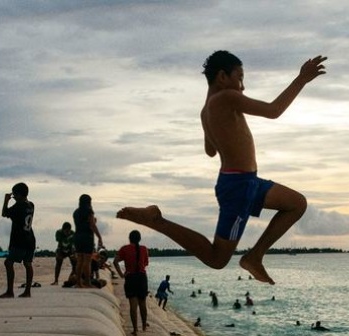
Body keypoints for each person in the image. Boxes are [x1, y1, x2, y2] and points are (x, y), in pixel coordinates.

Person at [117, 51, 325, 284]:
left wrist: (226, 129)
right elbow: (273, 111)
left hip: (246, 181)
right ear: (222, 77)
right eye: (240, 77)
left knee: (297, 203)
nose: (243, 86)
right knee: (217, 258)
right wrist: (301, 79)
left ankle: (255, 256)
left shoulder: (206, 110)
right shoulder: (226, 98)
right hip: (238, 187)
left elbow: (210, 150)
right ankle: (156, 220)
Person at [0, 182, 35, 298]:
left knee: (8, 263)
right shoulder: (31, 205)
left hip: (19, 239)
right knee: (28, 264)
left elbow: (4, 213)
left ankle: (10, 291)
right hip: (30, 238)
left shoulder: (19, 205)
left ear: (19, 195)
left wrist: (6, 201)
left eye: (14, 195)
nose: (13, 197)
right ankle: (27, 291)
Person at [113, 230, 149, 336]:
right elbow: (145, 264)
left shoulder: (125, 249)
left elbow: (115, 262)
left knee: (133, 305)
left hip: (131, 278)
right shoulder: (144, 249)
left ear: (129, 238)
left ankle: (135, 330)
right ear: (139, 239)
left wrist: (121, 274)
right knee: (143, 303)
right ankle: (143, 325)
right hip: (142, 278)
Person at [73, 194, 103, 288]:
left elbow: (81, 223)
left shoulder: (76, 212)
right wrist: (99, 237)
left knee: (79, 260)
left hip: (77, 236)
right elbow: (92, 225)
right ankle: (87, 282)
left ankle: (78, 283)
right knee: (87, 261)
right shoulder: (89, 211)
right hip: (87, 237)